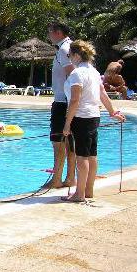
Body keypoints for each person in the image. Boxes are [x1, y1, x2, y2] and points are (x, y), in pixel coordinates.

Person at [61, 40, 126, 202]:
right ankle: (88, 190)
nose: (69, 58)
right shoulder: (95, 72)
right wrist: (113, 112)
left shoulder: (77, 73)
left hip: (80, 117)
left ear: (76, 55)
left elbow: (75, 100)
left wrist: (67, 124)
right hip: (94, 117)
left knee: (81, 156)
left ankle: (79, 194)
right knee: (92, 154)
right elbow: (103, 95)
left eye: (70, 55)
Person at [47, 22, 76, 189]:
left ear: (58, 33)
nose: (49, 35)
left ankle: (57, 179)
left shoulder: (64, 49)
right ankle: (70, 178)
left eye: (50, 32)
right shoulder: (70, 47)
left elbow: (72, 75)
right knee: (69, 142)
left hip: (62, 102)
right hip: (66, 101)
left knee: (58, 141)